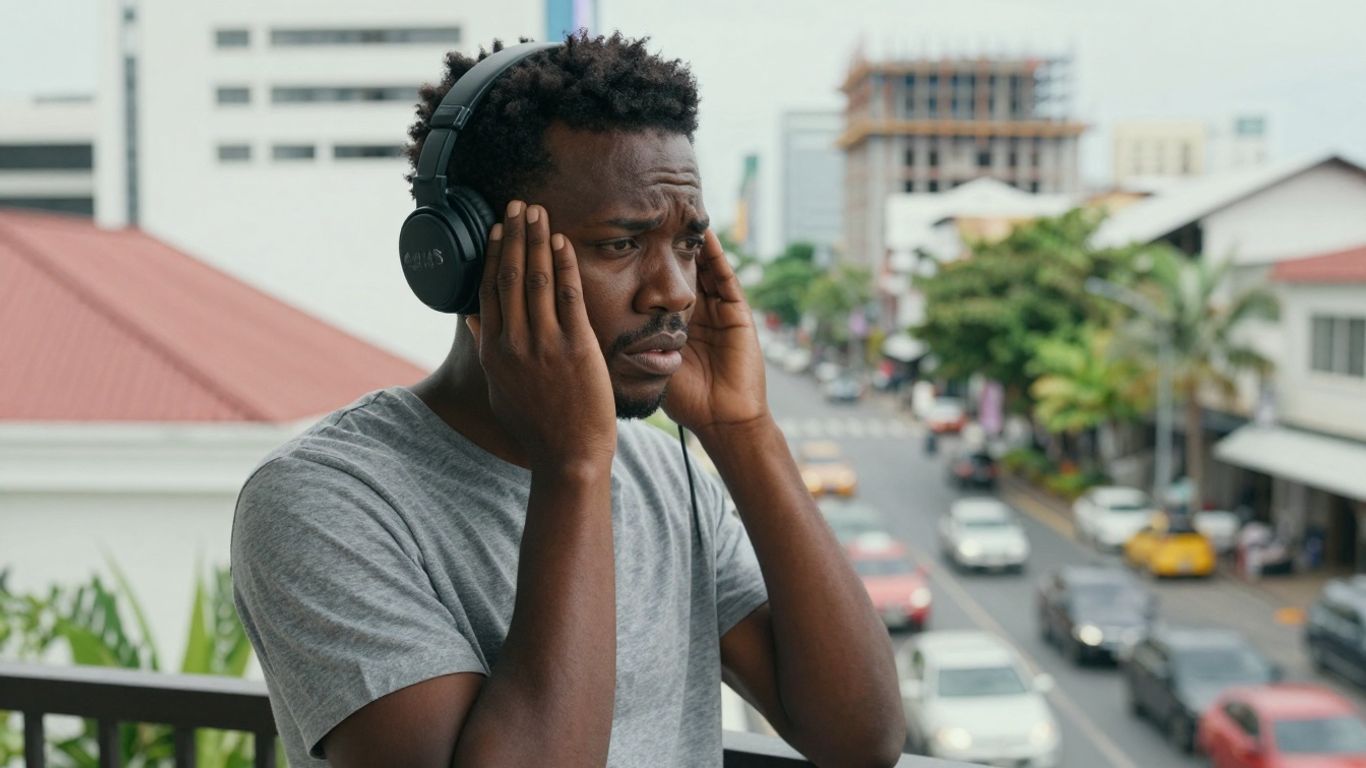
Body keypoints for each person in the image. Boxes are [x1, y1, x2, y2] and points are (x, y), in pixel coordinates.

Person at [231, 33, 903, 768]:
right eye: (622, 244)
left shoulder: (662, 481)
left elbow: (859, 740)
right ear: (470, 261)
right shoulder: (325, 502)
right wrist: (575, 464)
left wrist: (743, 431)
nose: (676, 291)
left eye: (686, 244)